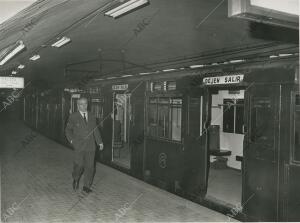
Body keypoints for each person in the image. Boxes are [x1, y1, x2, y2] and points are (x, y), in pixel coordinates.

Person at [65, 97, 103, 193]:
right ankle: (76, 178)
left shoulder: (92, 115)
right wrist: (72, 141)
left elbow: (95, 130)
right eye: (81, 104)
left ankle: (86, 186)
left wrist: (99, 142)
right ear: (78, 106)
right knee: (79, 165)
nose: (84, 106)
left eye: (85, 104)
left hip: (91, 146)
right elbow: (68, 130)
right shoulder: (73, 116)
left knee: (90, 167)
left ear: (87, 104)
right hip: (79, 146)